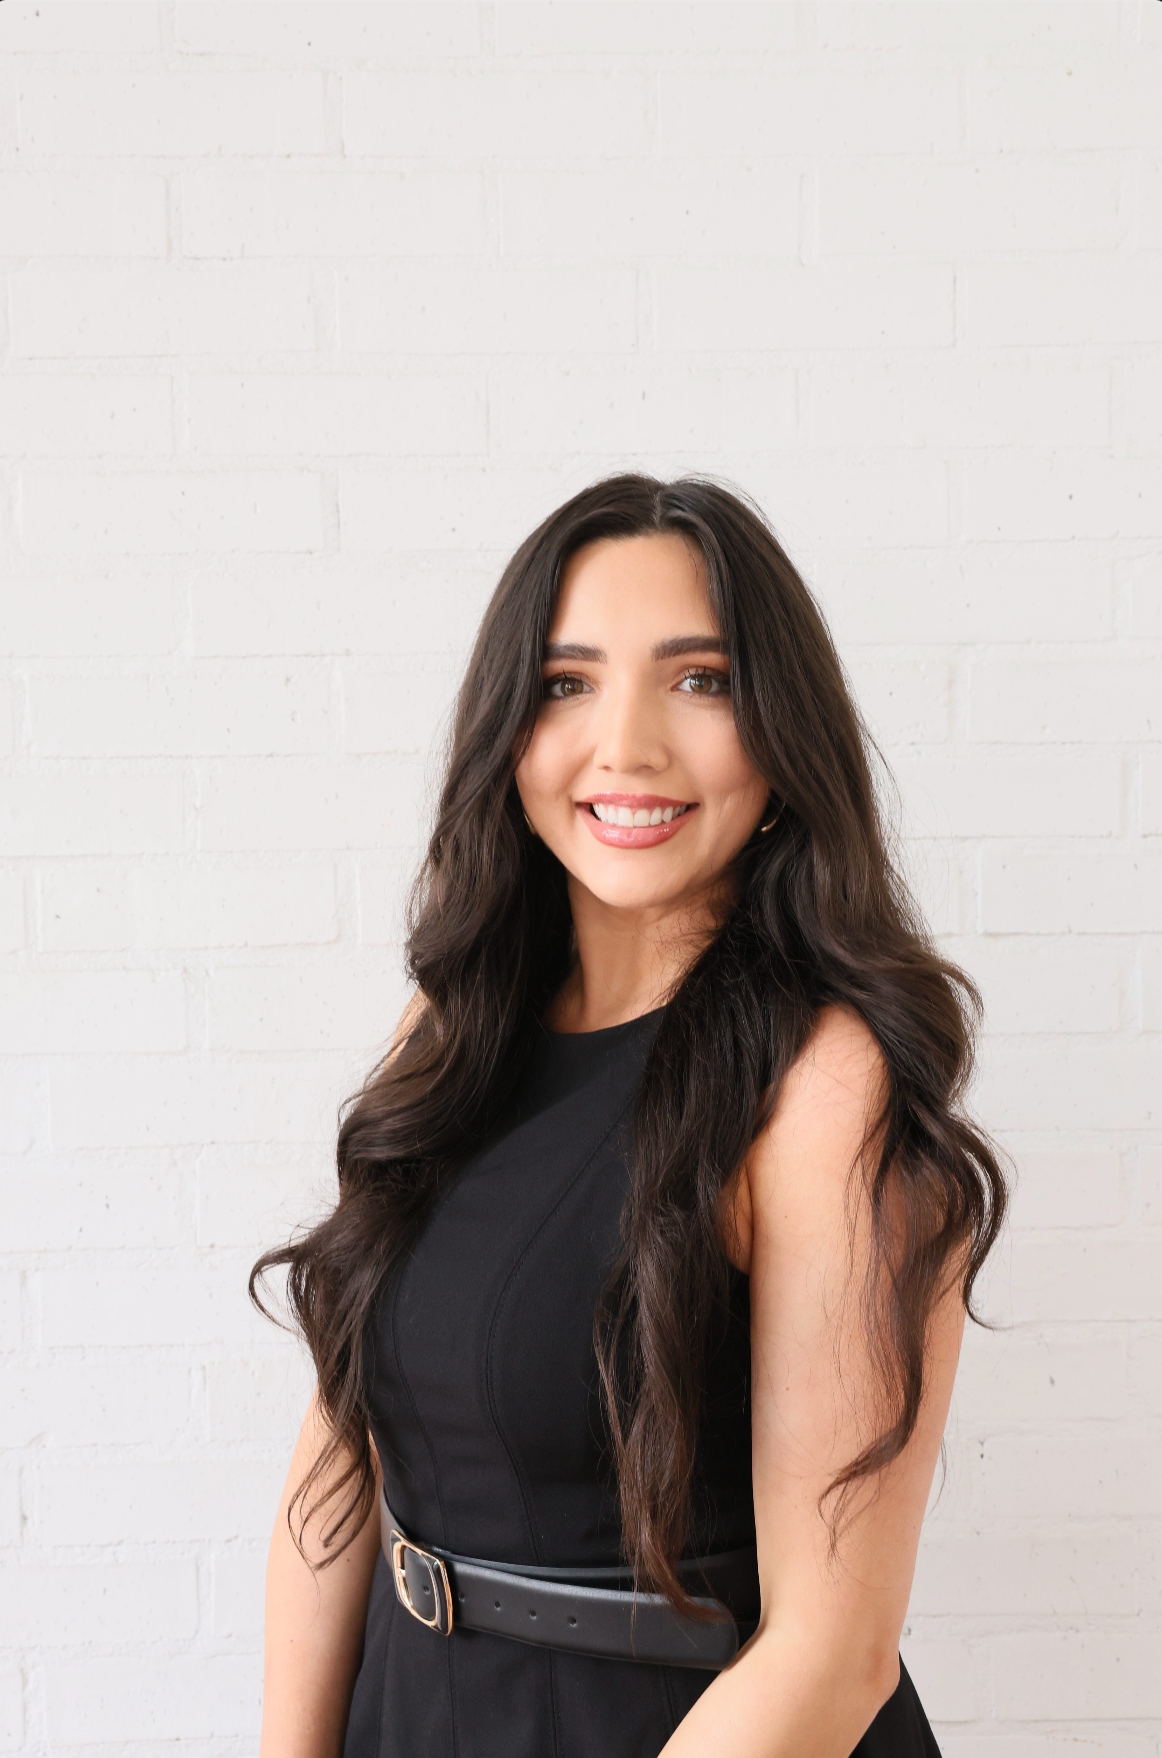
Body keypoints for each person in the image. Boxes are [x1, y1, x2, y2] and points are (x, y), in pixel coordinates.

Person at [251, 475, 1006, 1758]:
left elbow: (832, 1656)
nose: (628, 746)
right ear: (509, 728)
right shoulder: (448, 1035)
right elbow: (333, 1470)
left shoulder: (828, 1088)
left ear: (781, 732)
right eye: (566, 682)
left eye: (699, 679)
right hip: (414, 1712)